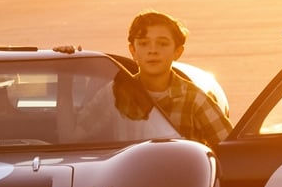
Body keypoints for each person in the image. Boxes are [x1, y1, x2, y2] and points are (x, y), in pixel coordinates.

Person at [56, 9, 231, 151]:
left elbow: (231, 150)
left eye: (162, 43)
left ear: (178, 52)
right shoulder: (115, 94)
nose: (152, 50)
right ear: (133, 51)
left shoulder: (195, 100)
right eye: (144, 43)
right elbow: (70, 137)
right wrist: (66, 69)